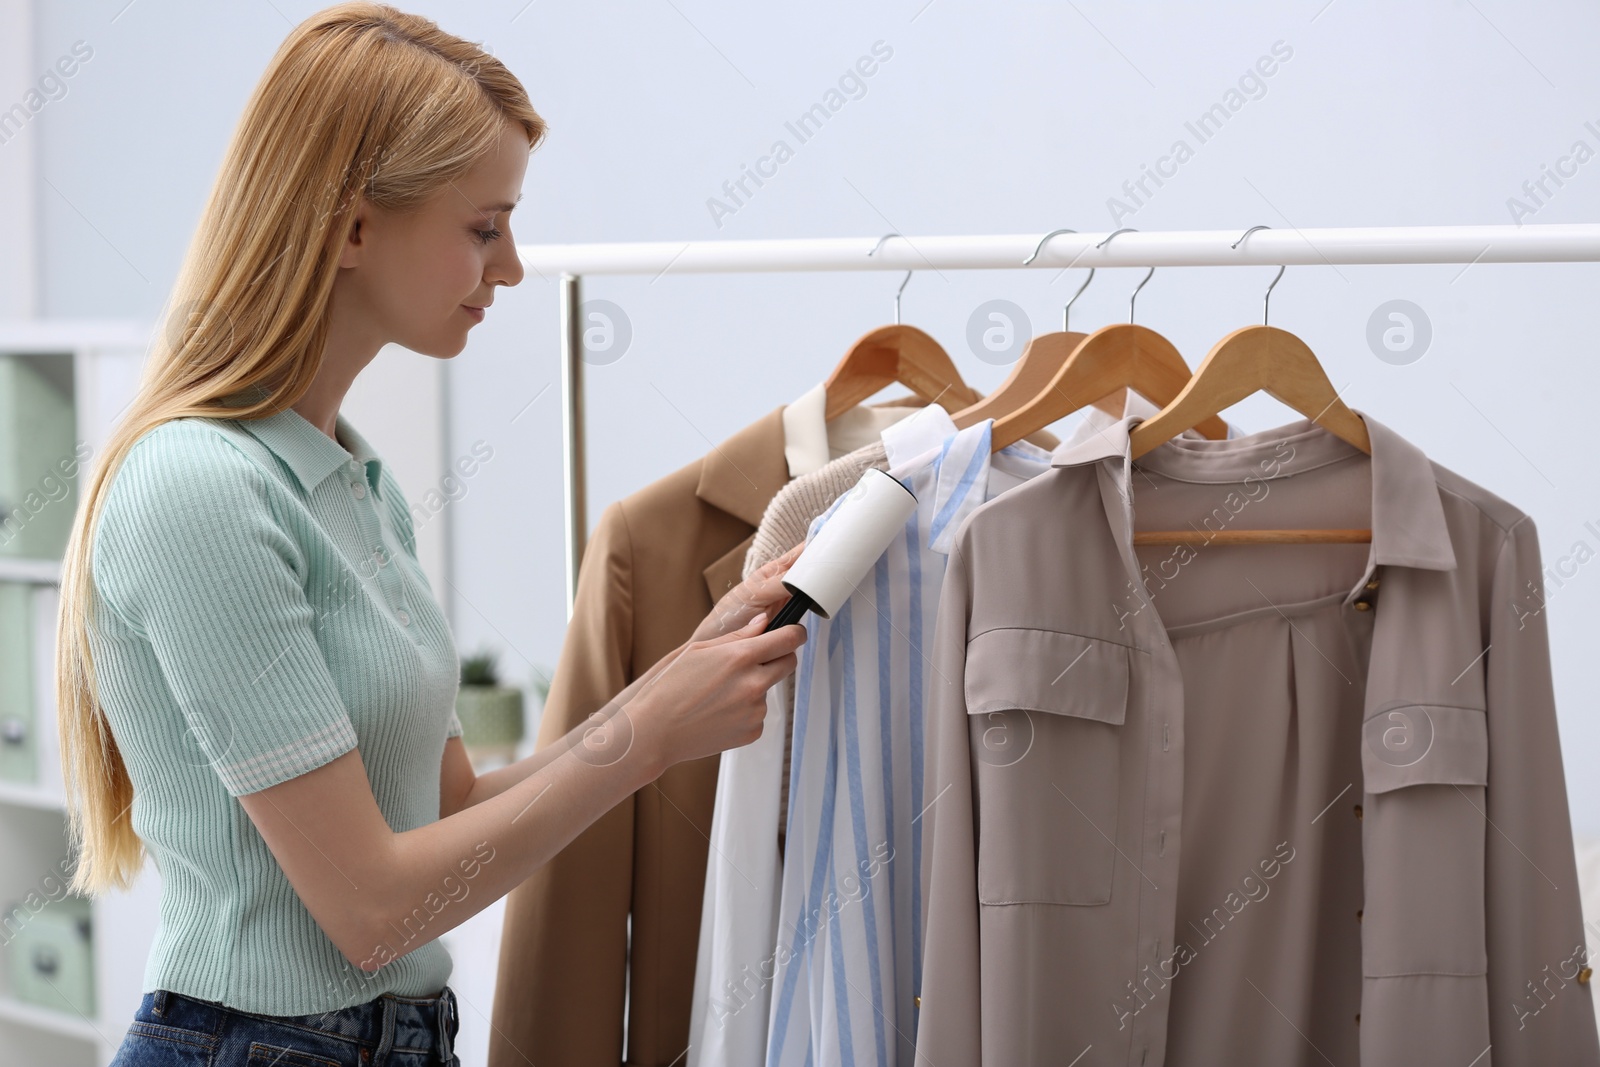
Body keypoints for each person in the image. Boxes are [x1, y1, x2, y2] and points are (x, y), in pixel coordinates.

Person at [54, 6, 809, 1065]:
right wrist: (646, 738)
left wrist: (677, 679)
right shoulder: (197, 490)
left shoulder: (351, 477)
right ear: (353, 226)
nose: (508, 269)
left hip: (397, 1040)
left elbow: (445, 806)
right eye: (485, 226)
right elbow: (370, 909)